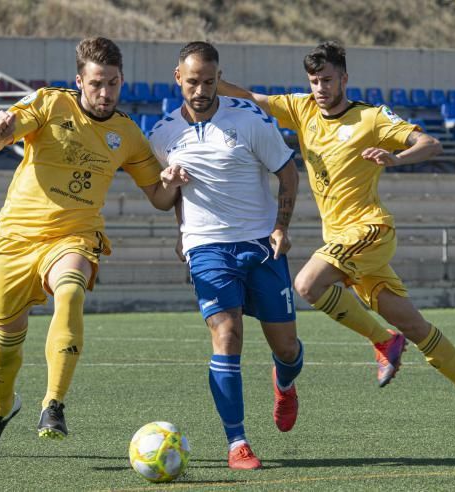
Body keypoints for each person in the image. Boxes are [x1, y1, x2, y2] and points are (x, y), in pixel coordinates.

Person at [218, 41, 455, 444]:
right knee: (415, 326)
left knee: (307, 284)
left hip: (369, 230)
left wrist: (395, 159)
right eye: (314, 80)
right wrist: (212, 83)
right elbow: (253, 98)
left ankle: (383, 341)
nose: (320, 88)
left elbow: (430, 144)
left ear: (345, 79)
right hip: (344, 245)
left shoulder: (370, 118)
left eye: (328, 80)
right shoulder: (301, 109)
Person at [0, 37, 177, 457]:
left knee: (70, 290)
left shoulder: (128, 135)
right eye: (97, 83)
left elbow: (158, 197)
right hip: (16, 239)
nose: (105, 94)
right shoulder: (49, 104)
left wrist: (170, 185)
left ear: (122, 82)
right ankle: (0, 409)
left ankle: (53, 404)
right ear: (79, 80)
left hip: (74, 236)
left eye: (113, 84)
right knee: (4, 347)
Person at [149, 41, 303, 470]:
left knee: (287, 348)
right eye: (192, 81)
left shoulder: (249, 120)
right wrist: (173, 193)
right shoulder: (161, 134)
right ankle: (237, 442)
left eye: (209, 81)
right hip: (207, 247)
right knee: (227, 332)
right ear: (178, 77)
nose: (201, 90)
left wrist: (281, 227)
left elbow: (288, 172)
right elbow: (162, 198)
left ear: (220, 77)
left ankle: (285, 383)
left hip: (260, 245)